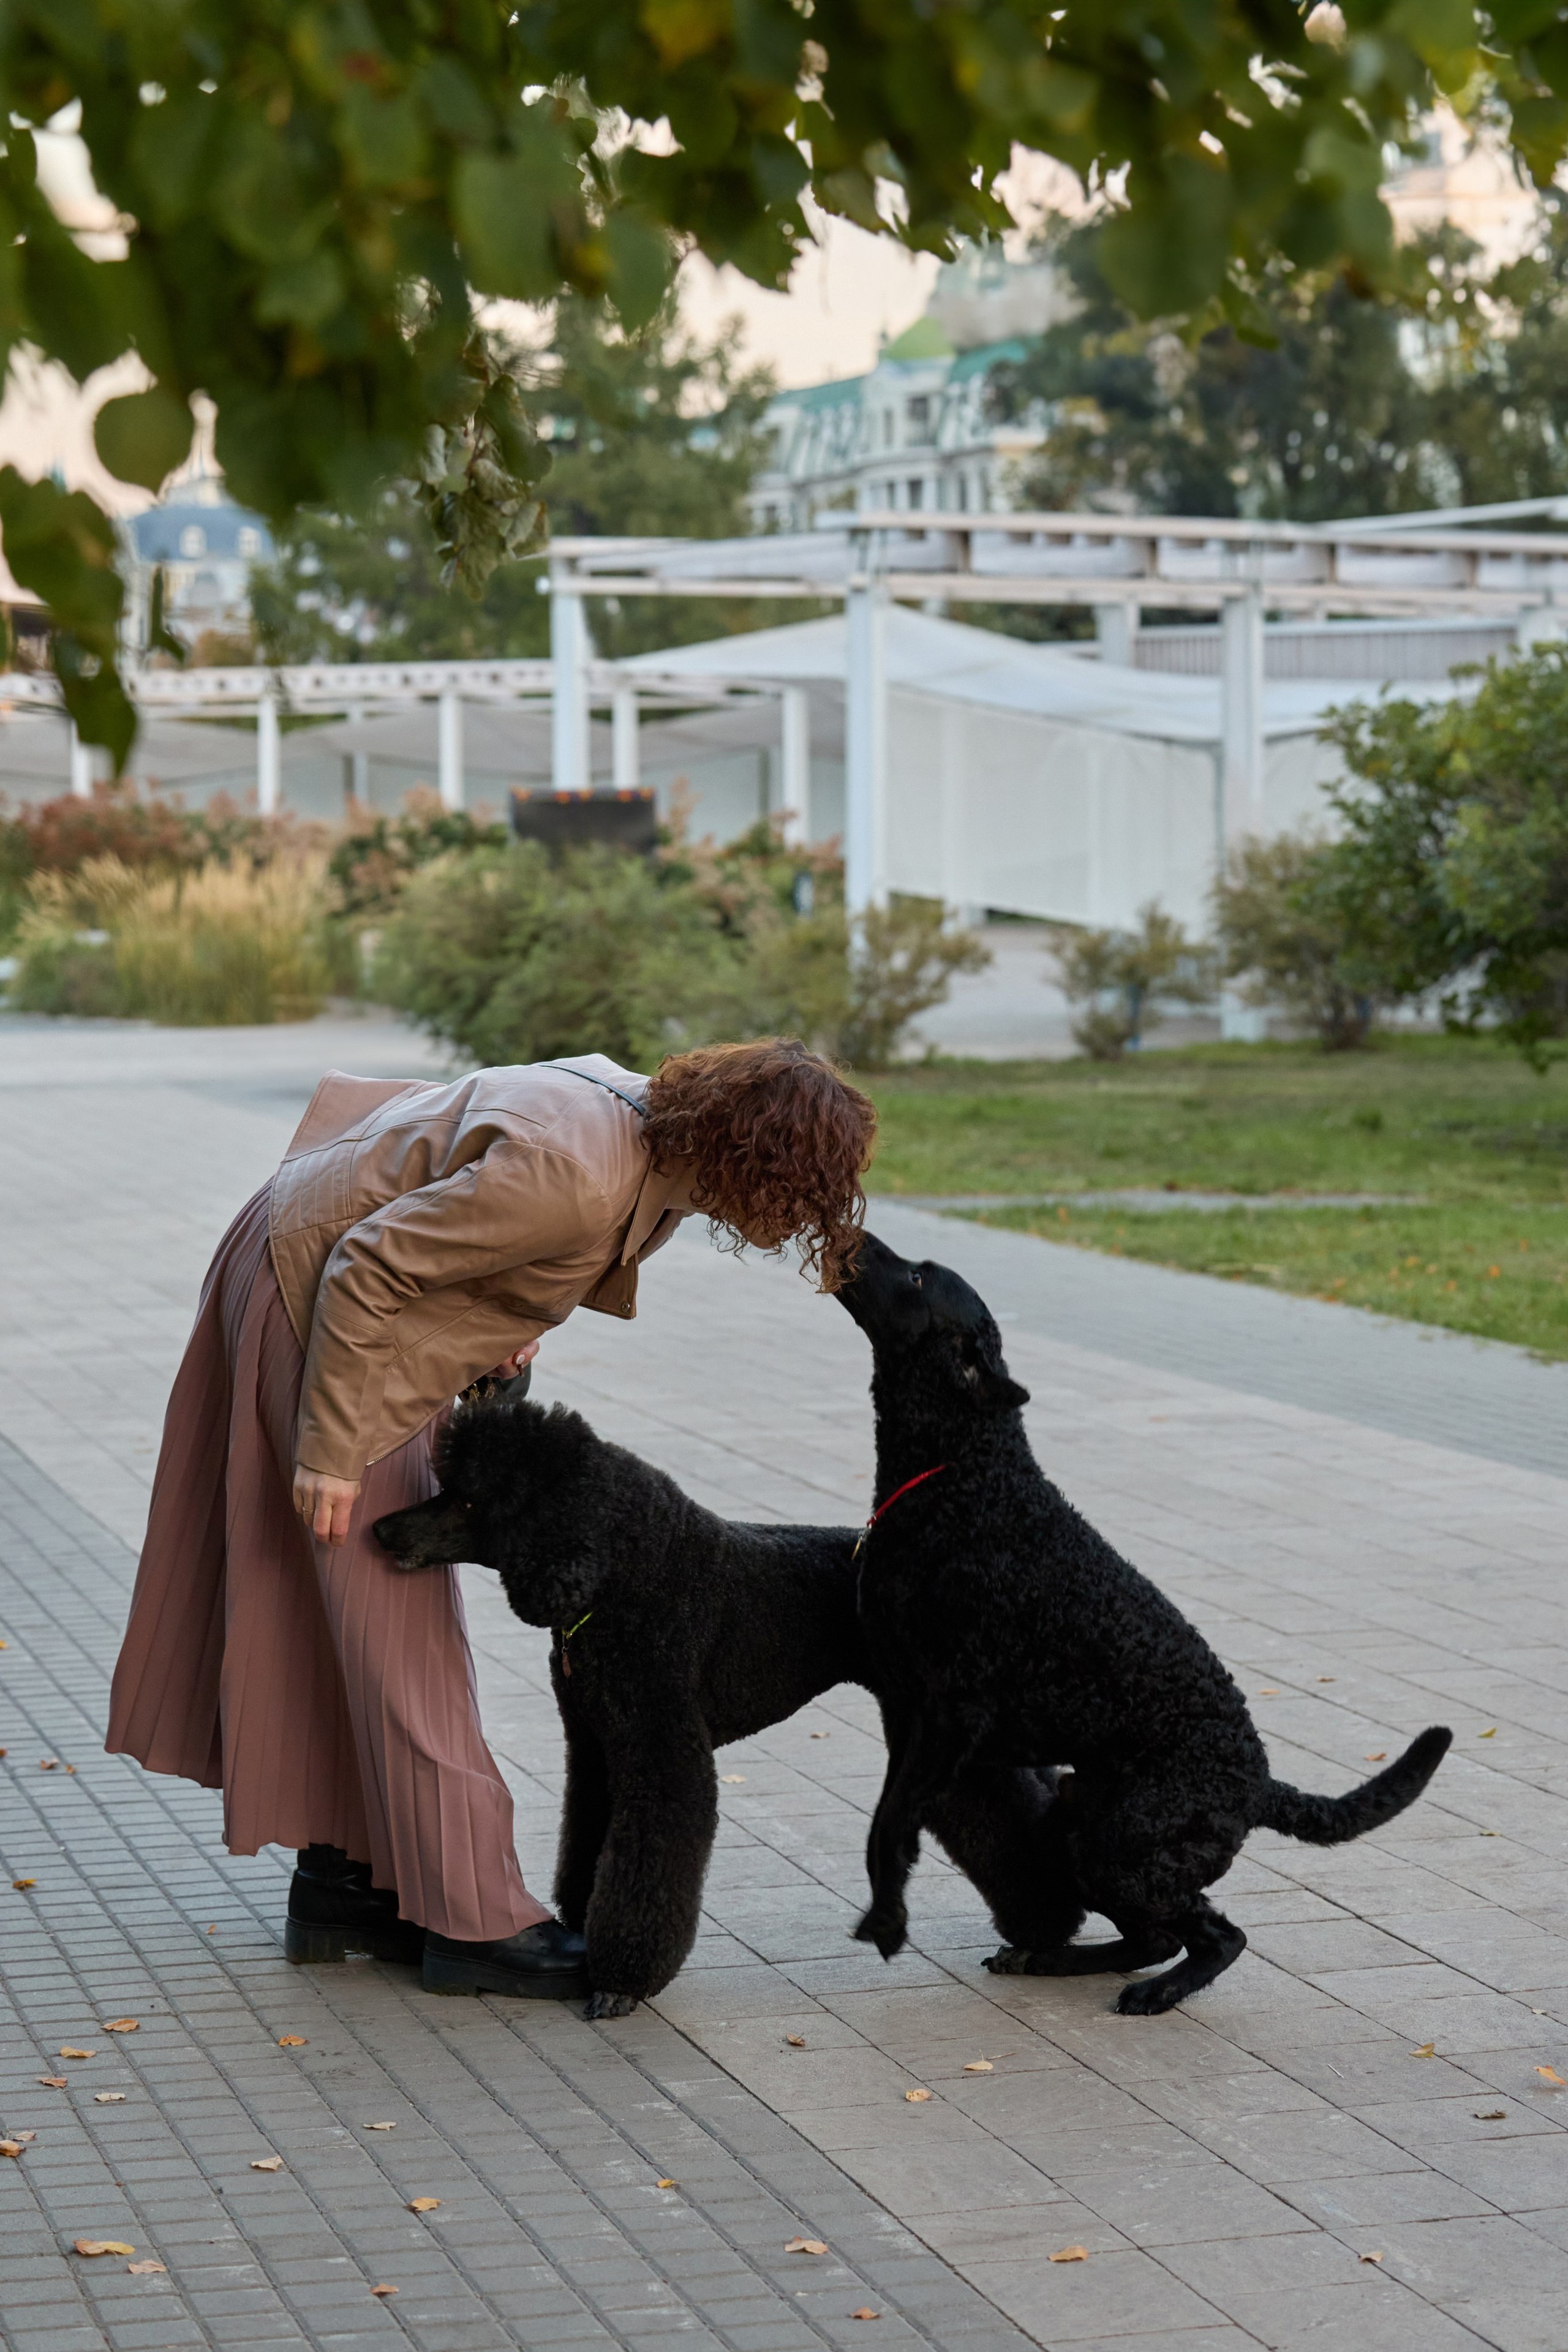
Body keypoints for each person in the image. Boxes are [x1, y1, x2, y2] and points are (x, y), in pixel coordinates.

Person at [107, 1039, 875, 1997]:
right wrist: (332, 1448)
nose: (783, 1221)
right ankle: (471, 1925)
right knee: (400, 1623)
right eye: (791, 1194)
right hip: (321, 1298)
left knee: (351, 1613)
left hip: (302, 1257)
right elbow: (369, 1263)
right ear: (749, 1164)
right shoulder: (583, 1180)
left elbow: (455, 1191)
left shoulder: (644, 1122)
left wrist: (500, 1327)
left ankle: (349, 1881)